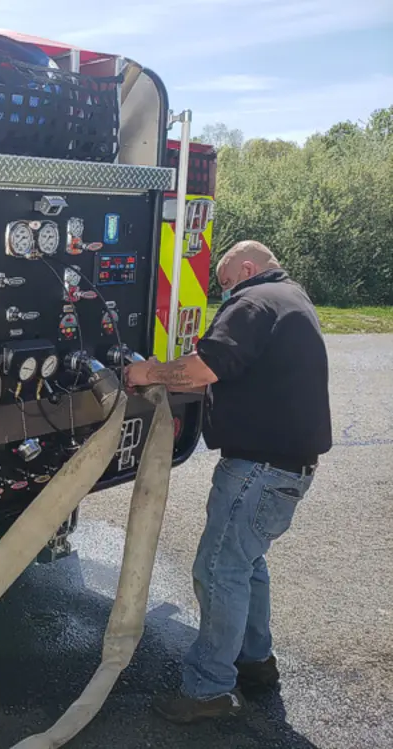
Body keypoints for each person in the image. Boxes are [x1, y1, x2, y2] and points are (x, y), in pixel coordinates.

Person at [125, 240, 332, 723]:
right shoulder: (293, 299)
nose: (224, 294)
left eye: (224, 283)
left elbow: (204, 368)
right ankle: (255, 662)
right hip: (289, 467)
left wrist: (146, 372)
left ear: (245, 269)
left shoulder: (252, 302)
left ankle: (208, 689)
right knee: (247, 564)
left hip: (258, 469)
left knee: (219, 570)